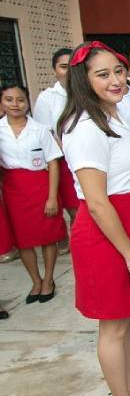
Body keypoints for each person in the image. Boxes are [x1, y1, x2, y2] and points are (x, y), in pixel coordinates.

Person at [59, 41, 130, 396]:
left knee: (125, 322)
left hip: (127, 224)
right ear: (83, 80)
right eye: (102, 74)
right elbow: (99, 202)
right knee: (113, 326)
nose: (116, 80)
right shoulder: (85, 128)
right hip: (107, 233)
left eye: (118, 71)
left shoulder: (114, 115)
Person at [0, 84, 66, 303]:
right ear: (2, 103)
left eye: (20, 99)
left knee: (47, 236)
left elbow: (53, 163)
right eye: (9, 99)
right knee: (23, 240)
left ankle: (48, 279)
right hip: (13, 190)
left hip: (40, 187)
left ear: (28, 102)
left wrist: (51, 196)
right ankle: (35, 281)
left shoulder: (40, 129)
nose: (15, 104)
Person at [33, 47, 79, 253]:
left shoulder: (85, 92)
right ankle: (72, 241)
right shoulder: (47, 98)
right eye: (63, 66)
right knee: (73, 206)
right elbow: (45, 133)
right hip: (63, 160)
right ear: (54, 70)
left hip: (85, 155)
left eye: (72, 66)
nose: (68, 71)